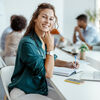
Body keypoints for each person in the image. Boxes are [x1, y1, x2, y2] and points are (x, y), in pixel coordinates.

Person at [8, 3, 79, 100]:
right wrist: (50, 47)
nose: (47, 21)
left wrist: (68, 64)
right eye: (44, 17)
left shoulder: (43, 39)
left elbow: (50, 59)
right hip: (23, 91)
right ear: (35, 19)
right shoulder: (27, 43)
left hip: (38, 88)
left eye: (51, 19)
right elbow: (47, 73)